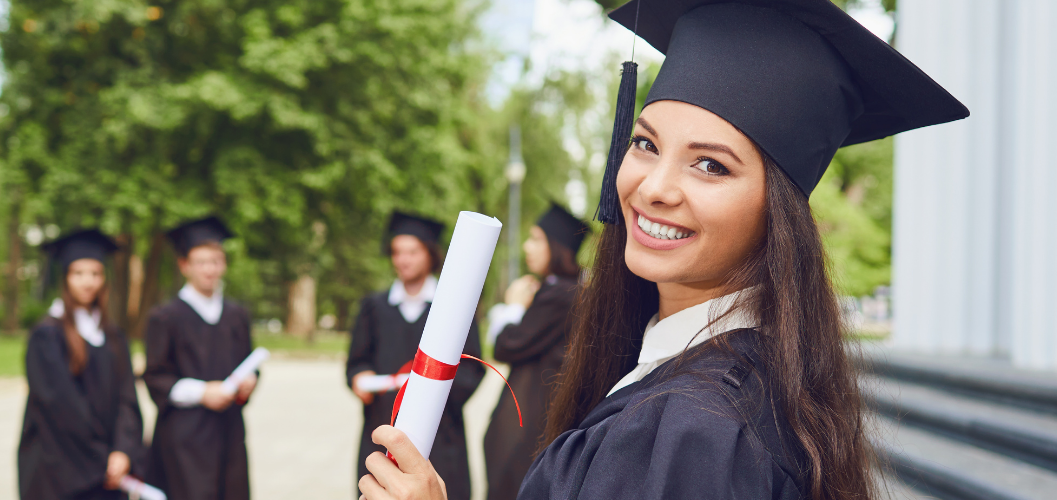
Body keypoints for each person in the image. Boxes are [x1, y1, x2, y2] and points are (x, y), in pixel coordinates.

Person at [356, 1, 968, 499]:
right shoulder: (730, 378)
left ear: (775, 211)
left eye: (709, 165)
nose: (653, 188)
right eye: (646, 144)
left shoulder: (696, 433)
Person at [346, 211, 484, 499]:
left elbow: (472, 368)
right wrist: (359, 378)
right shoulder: (374, 306)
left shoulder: (454, 308)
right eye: (397, 252)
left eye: (412, 251)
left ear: (430, 254)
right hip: (382, 424)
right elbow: (357, 361)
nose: (403, 259)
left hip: (441, 433)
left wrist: (431, 393)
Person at [19, 229, 144, 499]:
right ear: (64, 277)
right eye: (78, 273)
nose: (88, 282)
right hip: (62, 470)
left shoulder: (113, 336)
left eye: (95, 273)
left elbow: (127, 398)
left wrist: (123, 451)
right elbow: (61, 407)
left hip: (111, 468)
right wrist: (103, 458)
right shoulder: (47, 336)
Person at [143, 216, 257, 500]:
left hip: (229, 433)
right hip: (184, 439)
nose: (210, 269)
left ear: (224, 264)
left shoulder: (236, 315)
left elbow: (248, 361)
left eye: (216, 261)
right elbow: (156, 377)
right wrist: (203, 392)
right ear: (185, 266)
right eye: (201, 261)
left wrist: (249, 383)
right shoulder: (165, 317)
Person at [483, 203, 587, 500]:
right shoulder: (564, 290)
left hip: (529, 423)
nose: (527, 247)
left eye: (536, 238)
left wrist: (514, 304)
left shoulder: (560, 294)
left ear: (557, 247)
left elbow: (506, 345)